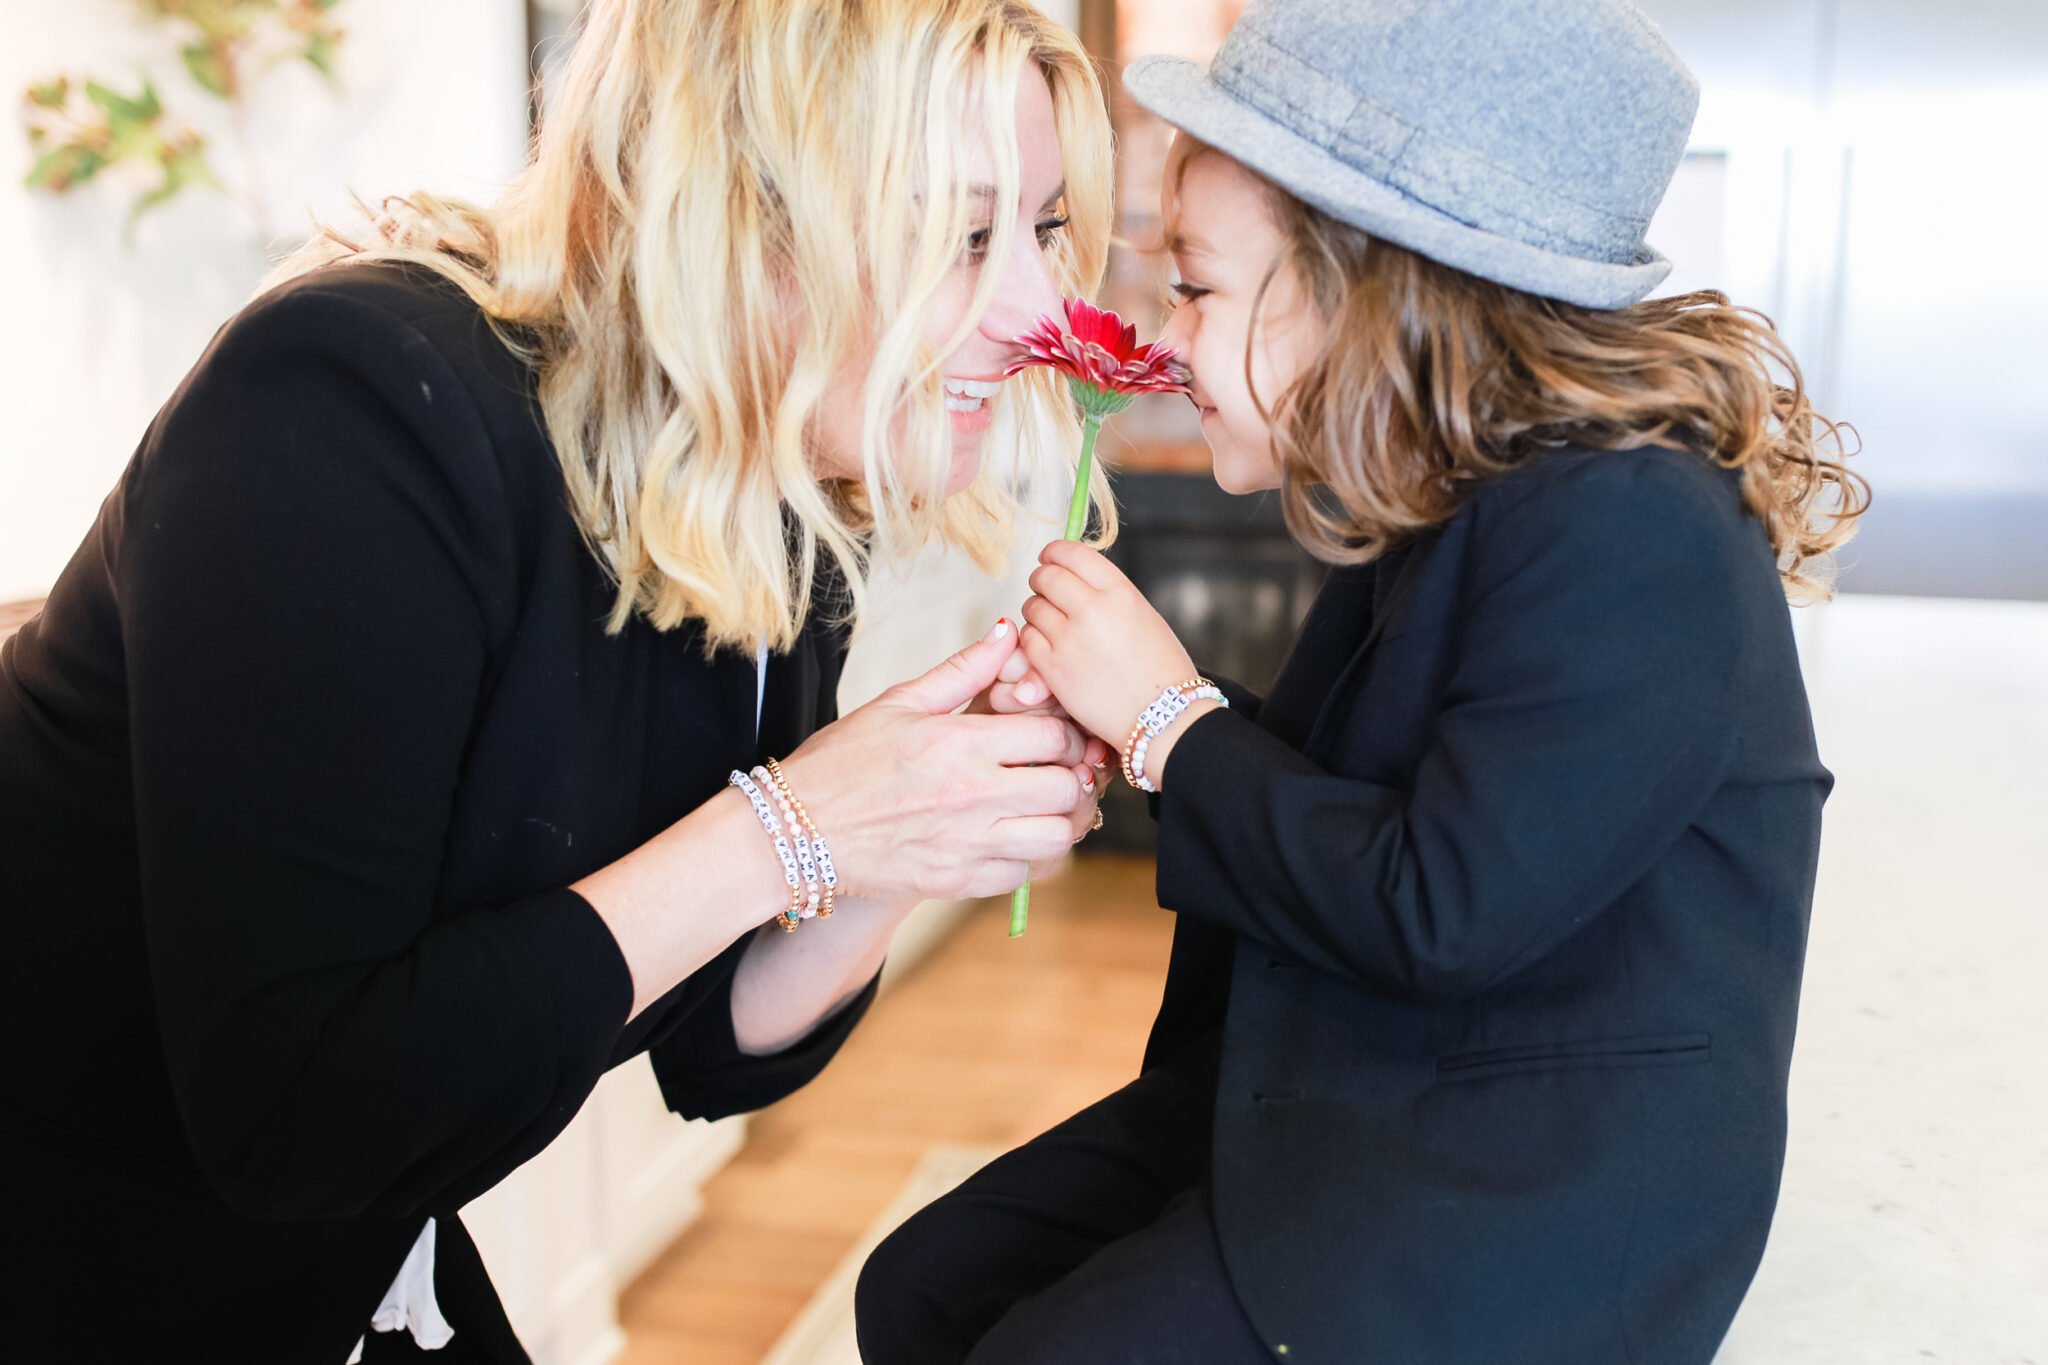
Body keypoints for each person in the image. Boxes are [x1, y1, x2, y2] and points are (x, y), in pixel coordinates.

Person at [0, 1, 1115, 1358]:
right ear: (747, 216)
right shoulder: (349, 409)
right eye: (965, 233)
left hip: (339, 1240)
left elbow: (718, 1034)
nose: (1046, 313)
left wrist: (915, 827)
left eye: (1046, 230)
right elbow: (298, 1110)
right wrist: (801, 824)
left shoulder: (765, 492)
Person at [855, 0, 1868, 1361]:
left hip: (1512, 1198)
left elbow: (1442, 902)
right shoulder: (1451, 501)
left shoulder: (1639, 530)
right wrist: (1136, 716)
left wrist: (1174, 722)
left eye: (1199, 286)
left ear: (1366, 294)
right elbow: (1374, 786)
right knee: (916, 1289)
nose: (1164, 330)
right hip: (1366, 1082)